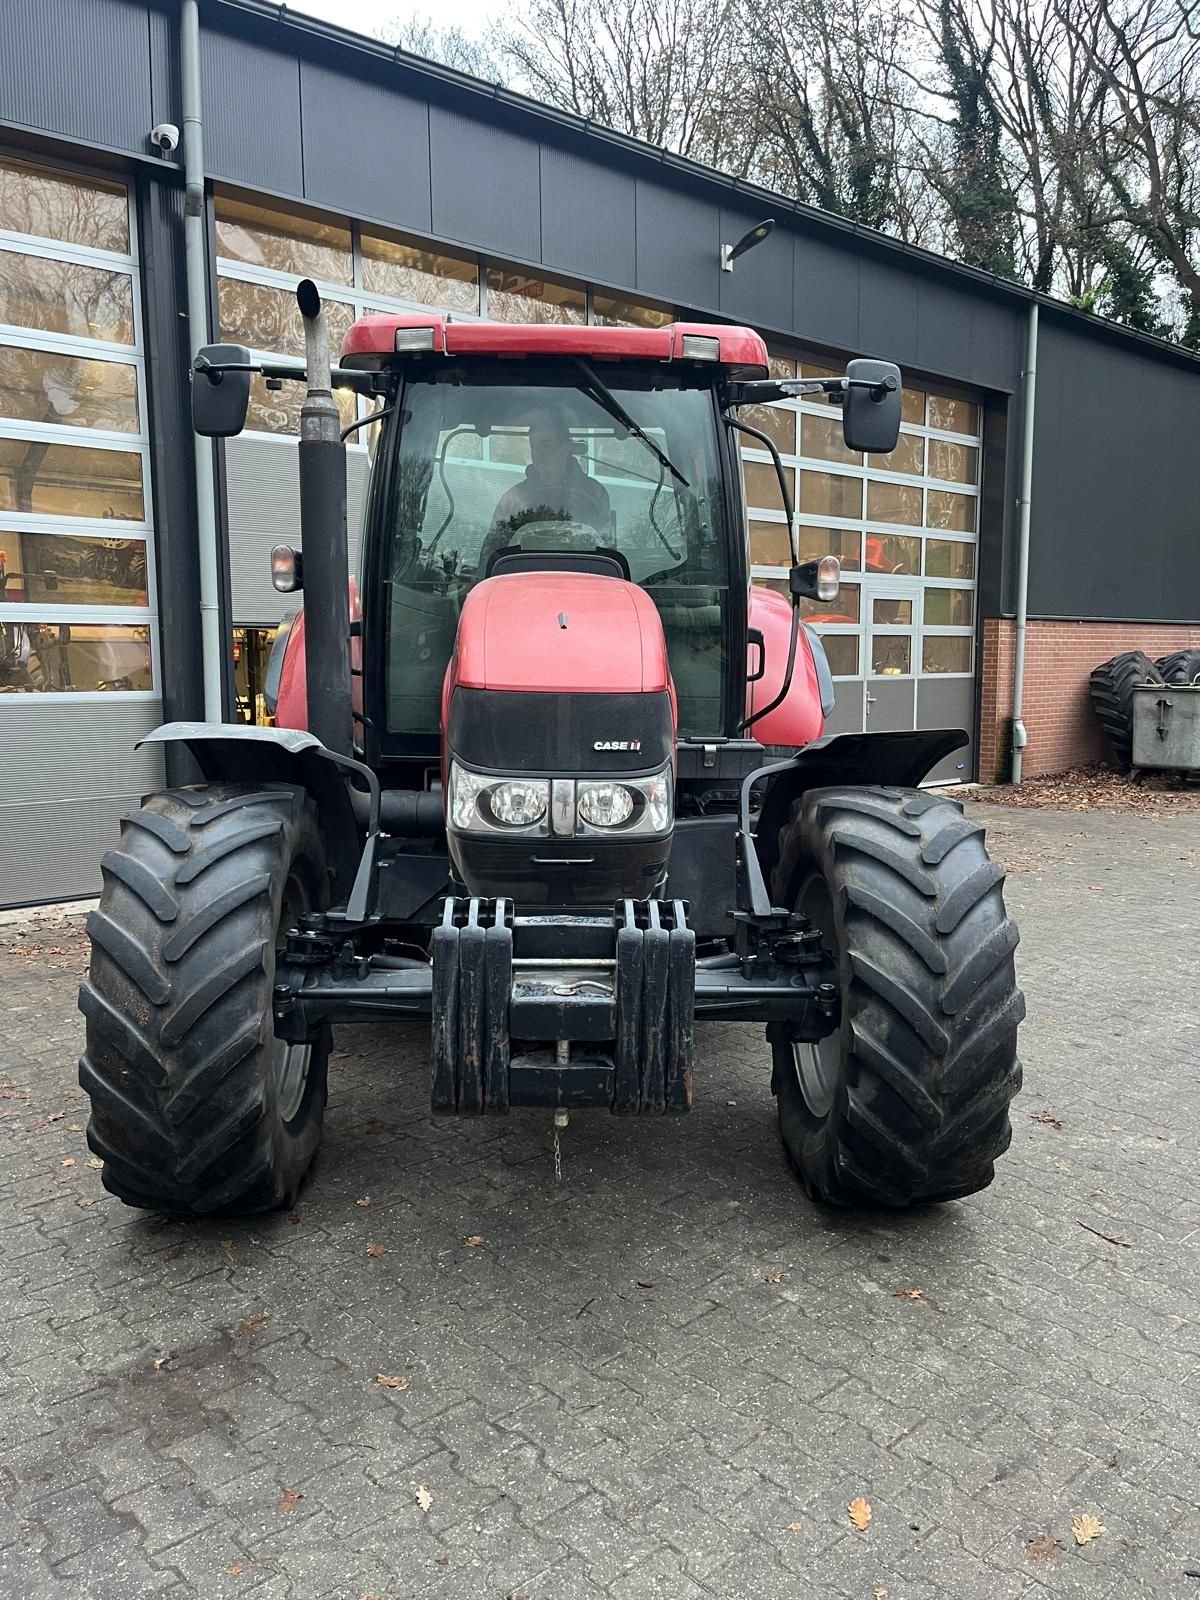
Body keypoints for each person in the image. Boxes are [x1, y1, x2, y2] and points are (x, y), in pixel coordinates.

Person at [479, 409, 612, 575]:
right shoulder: (514, 499)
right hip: (520, 583)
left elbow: (604, 545)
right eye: (534, 447)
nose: (538, 454)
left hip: (582, 580)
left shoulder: (594, 493)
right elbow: (492, 550)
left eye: (546, 444)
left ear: (566, 447)